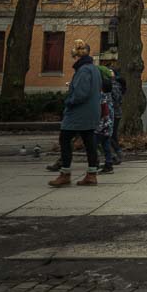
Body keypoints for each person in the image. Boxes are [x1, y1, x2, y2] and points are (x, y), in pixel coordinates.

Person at [48, 39, 102, 187]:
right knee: (89, 142)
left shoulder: (83, 70)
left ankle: (65, 173)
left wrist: (69, 101)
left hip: (78, 113)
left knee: (65, 139)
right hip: (91, 112)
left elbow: (80, 93)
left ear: (77, 56)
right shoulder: (94, 69)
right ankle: (92, 174)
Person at [96, 66, 115, 174]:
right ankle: (109, 163)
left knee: (94, 144)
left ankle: (95, 163)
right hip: (108, 126)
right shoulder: (109, 98)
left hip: (100, 126)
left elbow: (101, 112)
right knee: (106, 144)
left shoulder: (101, 98)